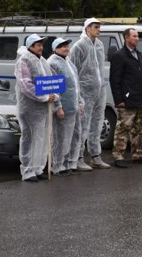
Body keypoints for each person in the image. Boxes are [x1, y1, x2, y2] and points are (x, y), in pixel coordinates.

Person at [68, 18, 111, 169]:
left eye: (99, 27)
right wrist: (77, 94)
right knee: (82, 125)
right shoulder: (79, 46)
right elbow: (73, 70)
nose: (99, 30)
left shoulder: (99, 45)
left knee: (97, 123)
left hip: (99, 90)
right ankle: (78, 158)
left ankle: (95, 155)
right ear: (87, 28)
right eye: (96, 27)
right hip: (84, 91)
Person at [15, 34, 58, 182]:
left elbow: (52, 81)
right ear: (30, 46)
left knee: (41, 138)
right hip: (29, 108)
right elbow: (25, 84)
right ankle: (28, 171)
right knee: (30, 138)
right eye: (38, 44)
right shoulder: (24, 60)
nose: (41, 47)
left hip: (42, 109)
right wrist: (44, 97)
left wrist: (54, 95)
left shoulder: (43, 61)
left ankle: (38, 168)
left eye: (41, 44)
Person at [109, 28, 142, 167]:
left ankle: (138, 154)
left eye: (138, 36)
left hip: (138, 97)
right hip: (126, 100)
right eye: (134, 36)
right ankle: (118, 157)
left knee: (138, 129)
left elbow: (139, 76)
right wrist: (119, 100)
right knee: (123, 128)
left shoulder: (138, 54)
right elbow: (114, 80)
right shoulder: (119, 55)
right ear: (126, 38)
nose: (137, 38)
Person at [48, 37, 84, 174]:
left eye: (67, 46)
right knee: (60, 137)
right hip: (63, 108)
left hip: (73, 106)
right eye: (62, 46)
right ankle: (58, 165)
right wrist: (58, 107)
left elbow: (75, 85)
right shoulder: (52, 63)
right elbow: (53, 87)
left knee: (74, 136)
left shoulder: (68, 62)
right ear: (55, 48)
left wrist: (80, 101)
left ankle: (70, 163)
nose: (66, 48)